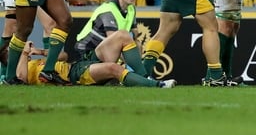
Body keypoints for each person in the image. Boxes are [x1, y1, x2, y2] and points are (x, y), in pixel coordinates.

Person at [13, 37, 176, 88]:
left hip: (77, 64)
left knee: (123, 36)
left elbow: (63, 55)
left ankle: (145, 78)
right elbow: (21, 78)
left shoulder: (37, 61)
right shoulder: (18, 70)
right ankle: (157, 85)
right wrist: (25, 53)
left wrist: (40, 52)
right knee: (114, 68)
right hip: (73, 76)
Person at [74, 0, 143, 74]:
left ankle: (135, 73)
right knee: (127, 49)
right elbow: (114, 41)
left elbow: (135, 33)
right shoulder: (108, 10)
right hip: (87, 52)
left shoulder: (131, 9)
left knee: (137, 44)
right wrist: (132, 59)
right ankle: (139, 74)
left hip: (105, 49)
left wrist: (135, 48)